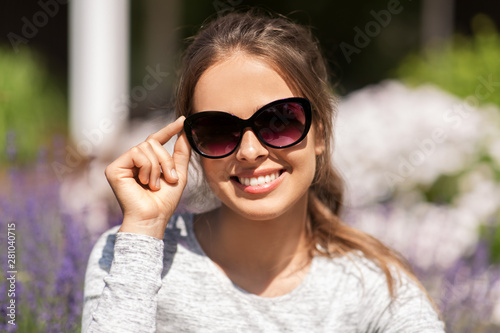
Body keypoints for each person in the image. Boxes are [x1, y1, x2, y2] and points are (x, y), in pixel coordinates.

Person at [82, 9, 445, 332]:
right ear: (191, 143)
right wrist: (144, 230)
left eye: (279, 121)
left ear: (320, 131)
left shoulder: (379, 290)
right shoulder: (131, 254)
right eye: (218, 130)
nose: (250, 151)